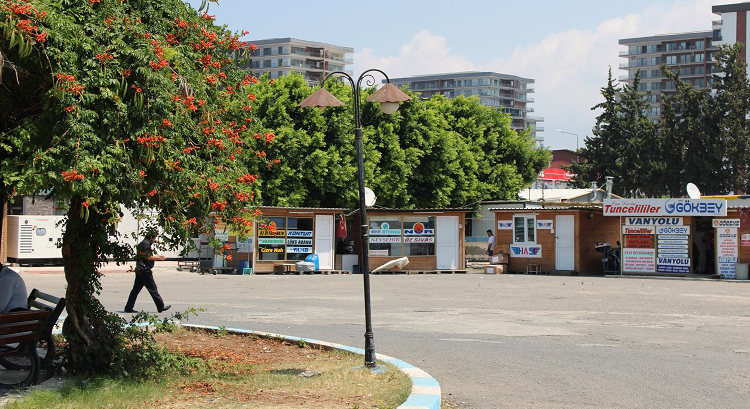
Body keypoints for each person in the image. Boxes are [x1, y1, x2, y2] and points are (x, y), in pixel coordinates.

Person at [124, 230, 171, 313]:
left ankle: (128, 307)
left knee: (135, 290)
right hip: (145, 270)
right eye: (154, 238)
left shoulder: (143, 243)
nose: (154, 240)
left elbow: (146, 254)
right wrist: (160, 258)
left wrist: (159, 242)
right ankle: (160, 306)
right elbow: (148, 257)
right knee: (153, 289)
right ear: (151, 238)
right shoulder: (146, 245)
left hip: (140, 270)